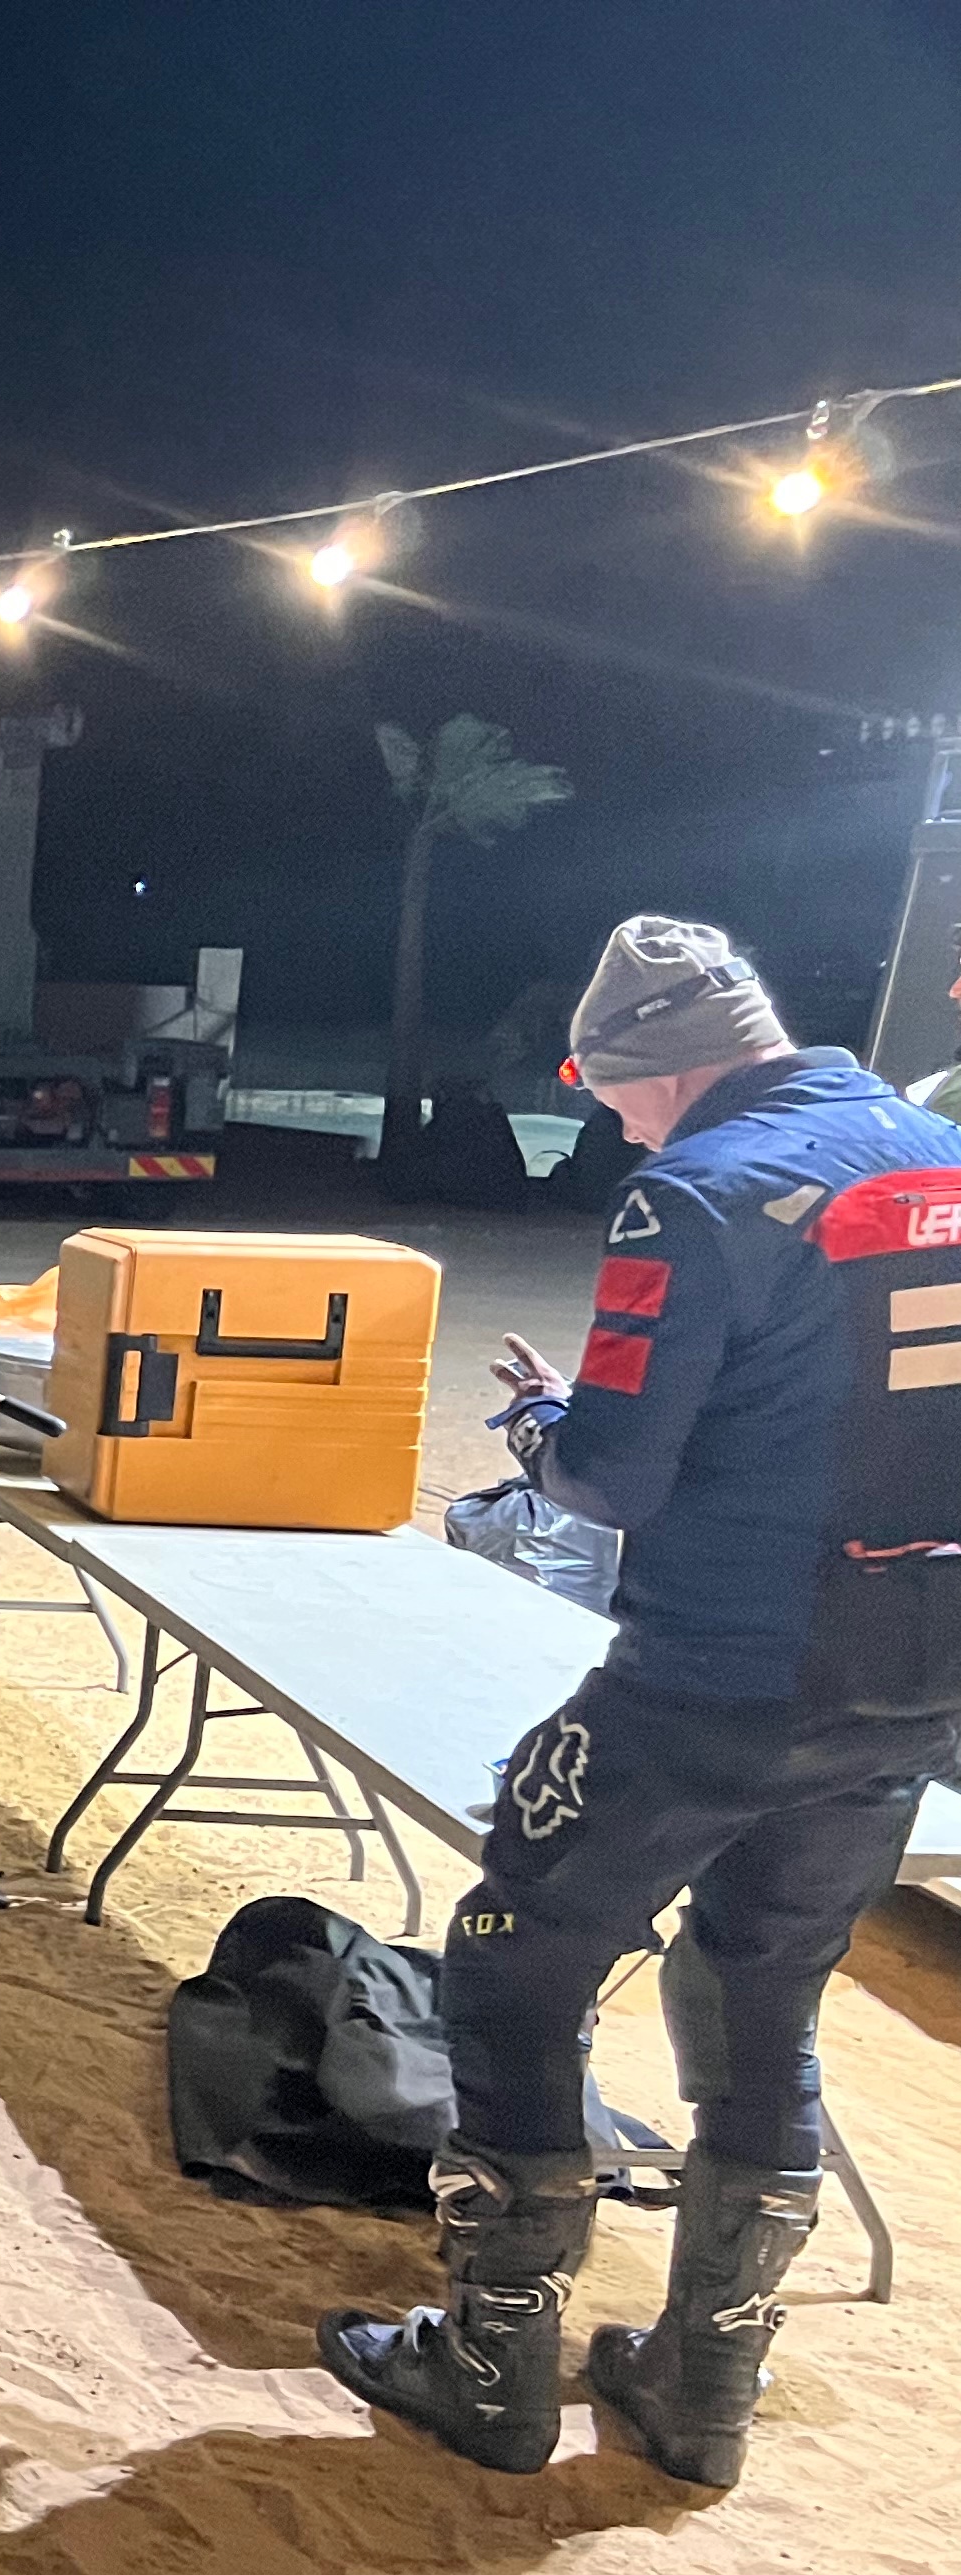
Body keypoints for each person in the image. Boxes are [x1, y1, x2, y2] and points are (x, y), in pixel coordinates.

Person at [323, 916, 961, 2489]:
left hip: (722, 1669)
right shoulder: (939, 1151)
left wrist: (541, 1423)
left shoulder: (699, 1193)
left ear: (655, 1068)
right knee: (765, 1990)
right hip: (914, 1679)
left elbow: (613, 1477)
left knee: (512, 1963)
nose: (611, 1124)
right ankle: (702, 2388)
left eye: (606, 1094)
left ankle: (493, 2372)